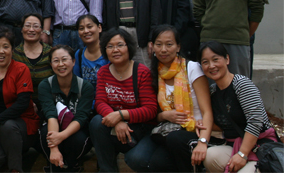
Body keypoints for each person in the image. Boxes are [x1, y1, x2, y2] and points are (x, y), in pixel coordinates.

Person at [143, 25, 213, 172]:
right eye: (159, 44)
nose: (163, 49)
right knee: (155, 164)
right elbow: (153, 113)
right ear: (152, 47)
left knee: (175, 140)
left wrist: (203, 141)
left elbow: (207, 111)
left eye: (169, 44)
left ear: (178, 47)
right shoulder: (153, 74)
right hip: (170, 132)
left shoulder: (192, 68)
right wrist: (164, 115)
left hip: (196, 130)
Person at [200, 41, 277, 173]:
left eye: (215, 59)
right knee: (210, 156)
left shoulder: (241, 84)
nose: (211, 66)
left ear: (227, 59)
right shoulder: (212, 91)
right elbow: (223, 123)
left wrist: (242, 154)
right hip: (233, 145)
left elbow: (255, 121)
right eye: (205, 62)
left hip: (259, 146)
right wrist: (201, 124)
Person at [89, 28, 157, 172]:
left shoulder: (142, 72)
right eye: (110, 46)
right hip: (116, 126)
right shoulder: (103, 72)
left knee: (136, 159)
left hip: (141, 128)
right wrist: (117, 121)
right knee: (96, 122)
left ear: (129, 47)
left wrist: (121, 115)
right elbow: (100, 102)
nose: (115, 50)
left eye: (120, 45)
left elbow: (150, 109)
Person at [0, 28, 40, 173]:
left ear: (12, 49)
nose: (1, 51)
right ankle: (14, 151)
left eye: (6, 46)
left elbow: (23, 103)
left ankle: (15, 169)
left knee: (8, 126)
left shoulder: (21, 69)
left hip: (21, 123)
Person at [38, 45, 95, 172]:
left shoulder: (85, 87)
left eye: (64, 59)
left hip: (76, 128)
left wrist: (61, 136)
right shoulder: (45, 85)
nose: (61, 64)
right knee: (45, 133)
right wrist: (54, 148)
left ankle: (72, 165)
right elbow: (51, 115)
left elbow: (81, 117)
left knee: (77, 139)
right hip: (53, 126)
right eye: (56, 61)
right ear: (51, 64)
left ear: (73, 61)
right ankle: (54, 165)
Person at [12, 13, 53, 109]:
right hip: (21, 106)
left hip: (49, 106)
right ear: (21, 29)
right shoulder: (14, 54)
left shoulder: (51, 53)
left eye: (36, 26)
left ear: (42, 30)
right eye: (27, 26)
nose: (31, 29)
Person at [73, 14, 108, 88]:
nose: (86, 31)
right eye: (81, 28)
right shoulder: (79, 54)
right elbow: (77, 83)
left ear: (99, 28)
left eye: (89, 27)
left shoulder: (108, 52)